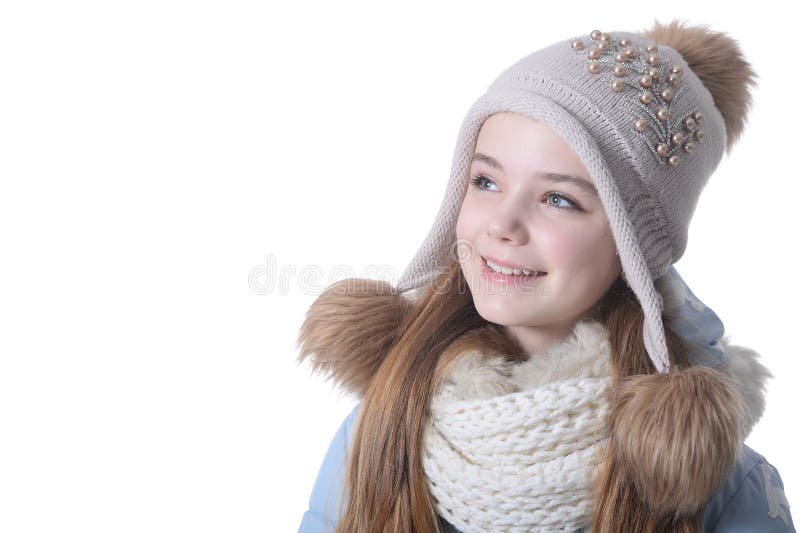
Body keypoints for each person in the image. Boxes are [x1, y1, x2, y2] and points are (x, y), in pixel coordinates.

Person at [296, 19, 795, 532]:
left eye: (559, 199)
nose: (502, 225)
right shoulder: (377, 428)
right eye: (486, 180)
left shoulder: (716, 485)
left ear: (633, 247)